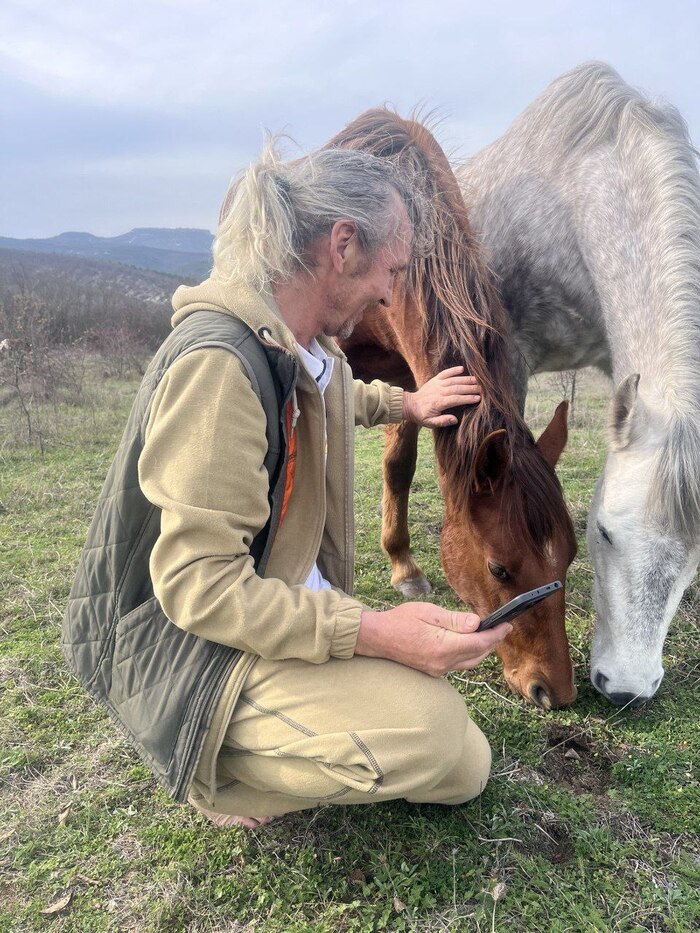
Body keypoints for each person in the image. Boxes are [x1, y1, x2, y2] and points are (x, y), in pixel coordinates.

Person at [63, 144, 512, 829]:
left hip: (264, 614)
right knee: (441, 740)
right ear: (343, 245)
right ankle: (220, 778)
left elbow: (332, 393)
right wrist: (375, 633)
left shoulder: (308, 343)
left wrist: (407, 406)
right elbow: (199, 585)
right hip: (191, 657)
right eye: (391, 270)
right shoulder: (220, 368)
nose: (391, 294)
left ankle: (292, 738)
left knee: (463, 757)